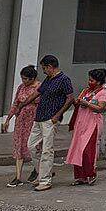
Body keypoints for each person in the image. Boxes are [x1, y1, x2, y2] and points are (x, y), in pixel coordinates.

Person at [13, 54, 74, 192]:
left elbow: (70, 98)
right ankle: (42, 172)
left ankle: (45, 180)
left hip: (51, 118)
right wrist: (22, 104)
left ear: (50, 67)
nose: (43, 71)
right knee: (31, 146)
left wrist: (58, 115)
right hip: (39, 116)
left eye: (44, 68)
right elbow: (37, 93)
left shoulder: (64, 80)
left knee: (47, 149)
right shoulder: (48, 79)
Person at [66, 69, 106, 186]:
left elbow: (101, 108)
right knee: (77, 150)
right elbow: (78, 101)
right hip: (80, 123)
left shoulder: (103, 93)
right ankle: (80, 177)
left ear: (99, 82)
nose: (89, 82)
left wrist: (88, 104)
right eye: (89, 80)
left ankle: (91, 173)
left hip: (92, 124)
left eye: (92, 80)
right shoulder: (86, 91)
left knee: (87, 150)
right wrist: (77, 102)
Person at [3, 65, 39, 186]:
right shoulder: (21, 87)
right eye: (23, 78)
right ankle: (18, 176)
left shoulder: (40, 88)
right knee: (19, 146)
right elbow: (15, 104)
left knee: (33, 146)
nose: (24, 81)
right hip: (21, 121)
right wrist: (8, 119)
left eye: (26, 79)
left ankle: (37, 169)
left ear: (33, 78)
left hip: (34, 120)